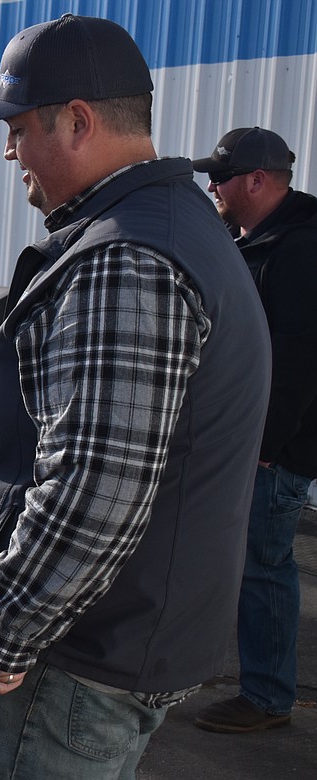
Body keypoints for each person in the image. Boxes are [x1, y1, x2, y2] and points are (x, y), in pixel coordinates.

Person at [0, 14, 271, 777]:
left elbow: (97, 484)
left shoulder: (126, 256)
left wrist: (3, 626)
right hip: (110, 650)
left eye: (18, 128)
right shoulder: (172, 222)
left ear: (78, 121)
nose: (8, 149)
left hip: (69, 668)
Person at [188, 128, 317, 734]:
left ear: (258, 181)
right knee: (245, 563)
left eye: (221, 176)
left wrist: (264, 448)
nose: (212, 186)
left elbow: (297, 360)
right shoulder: (257, 241)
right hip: (252, 440)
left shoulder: (299, 249)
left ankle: (267, 697)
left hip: (276, 449)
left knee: (264, 566)